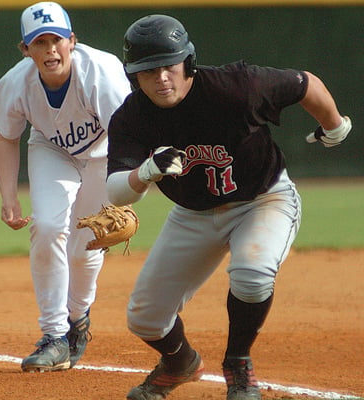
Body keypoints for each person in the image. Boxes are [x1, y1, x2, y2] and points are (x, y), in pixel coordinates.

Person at [105, 14, 352, 400]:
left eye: (169, 66)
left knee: (252, 275)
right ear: (133, 76)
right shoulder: (132, 116)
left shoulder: (238, 88)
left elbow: (306, 83)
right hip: (192, 214)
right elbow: (118, 192)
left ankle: (238, 361)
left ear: (188, 62)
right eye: (148, 71)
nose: (161, 78)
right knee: (145, 318)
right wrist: (146, 172)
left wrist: (334, 125)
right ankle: (179, 362)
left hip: (262, 199)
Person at [0, 2, 131, 372]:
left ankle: (77, 319)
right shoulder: (17, 83)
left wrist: (128, 193)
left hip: (105, 154)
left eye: (57, 40)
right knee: (47, 227)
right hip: (50, 149)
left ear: (72, 42)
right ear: (25, 49)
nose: (50, 50)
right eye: (39, 43)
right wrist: (9, 196)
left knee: (86, 249)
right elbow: (6, 139)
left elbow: (127, 135)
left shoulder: (101, 73)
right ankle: (54, 336)